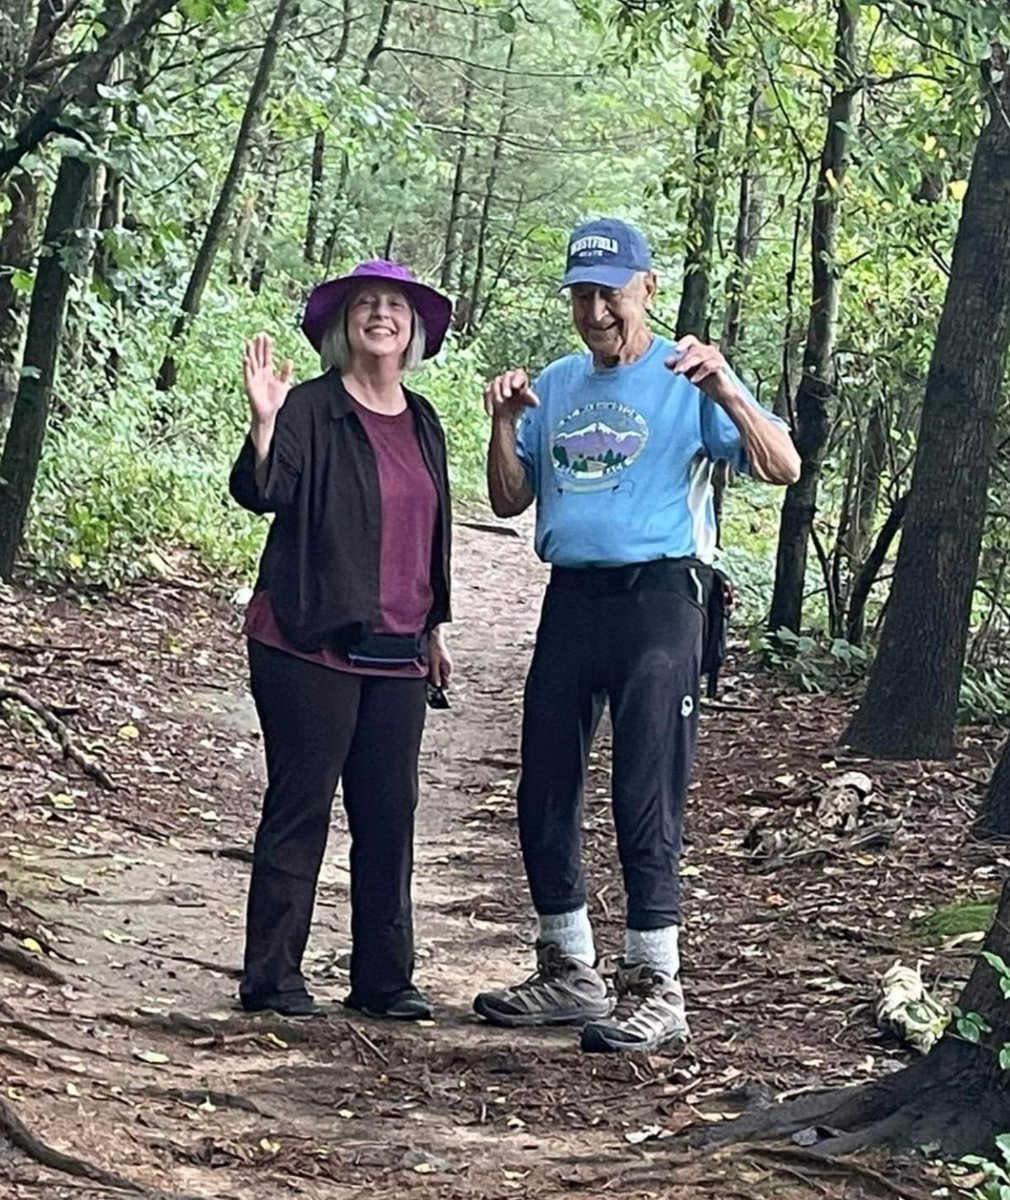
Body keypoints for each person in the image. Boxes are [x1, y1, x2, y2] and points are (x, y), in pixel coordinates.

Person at [473, 218, 800, 1053]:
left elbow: (783, 466)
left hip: (663, 597)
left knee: (644, 784)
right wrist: (504, 423)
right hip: (573, 598)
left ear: (646, 288)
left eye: (610, 294)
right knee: (544, 780)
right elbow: (510, 501)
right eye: (582, 296)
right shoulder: (556, 382)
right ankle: (567, 968)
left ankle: (657, 984)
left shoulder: (688, 377)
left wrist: (726, 389)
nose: (595, 311)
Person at [229, 259, 454, 1020]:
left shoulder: (424, 420)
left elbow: (431, 535)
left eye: (394, 305)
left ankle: (384, 981)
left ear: (412, 329)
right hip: (305, 639)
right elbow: (265, 490)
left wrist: (433, 627)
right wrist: (263, 424)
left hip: (398, 651)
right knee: (303, 803)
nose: (380, 315)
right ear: (342, 325)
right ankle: (272, 980)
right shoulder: (309, 410)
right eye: (365, 305)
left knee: (389, 810)